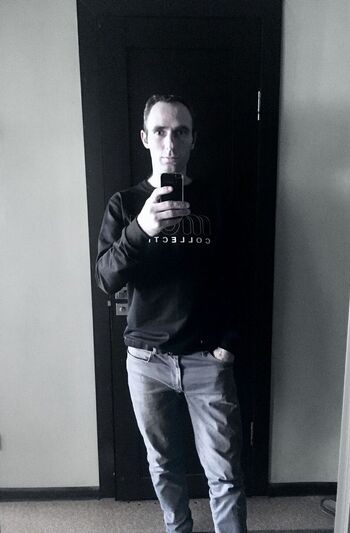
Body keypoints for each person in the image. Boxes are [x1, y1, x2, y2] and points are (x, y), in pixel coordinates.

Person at [95, 94, 247, 533]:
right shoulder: (125, 204)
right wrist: (141, 229)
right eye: (160, 131)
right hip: (147, 361)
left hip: (208, 359)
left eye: (181, 132)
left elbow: (242, 275)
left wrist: (229, 344)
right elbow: (105, 278)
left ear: (193, 139)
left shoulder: (216, 200)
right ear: (145, 138)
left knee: (225, 472)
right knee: (162, 465)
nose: (170, 142)